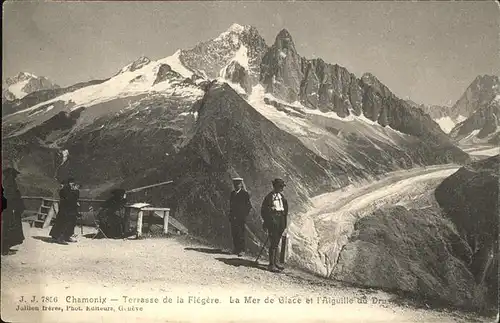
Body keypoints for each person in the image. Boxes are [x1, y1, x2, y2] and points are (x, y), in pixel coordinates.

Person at [261, 178, 288, 272]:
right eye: (280, 186)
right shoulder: (269, 197)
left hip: (280, 221)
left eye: (282, 187)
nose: (282, 188)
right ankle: (271, 264)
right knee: (273, 243)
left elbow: (285, 211)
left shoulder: (282, 197)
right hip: (273, 221)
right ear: (275, 186)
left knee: (276, 243)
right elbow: (264, 211)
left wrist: (284, 224)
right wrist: (268, 220)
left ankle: (275, 262)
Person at [1, 168, 26, 255]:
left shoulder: (7, 182)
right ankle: (5, 250)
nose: (16, 176)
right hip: (10, 209)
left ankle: (6, 248)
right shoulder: (10, 184)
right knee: (9, 228)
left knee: (8, 228)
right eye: (14, 174)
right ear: (11, 174)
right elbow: (11, 197)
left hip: (9, 209)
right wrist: (14, 208)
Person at [50, 178, 80, 244]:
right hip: (66, 209)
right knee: (64, 223)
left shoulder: (68, 189)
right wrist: (76, 192)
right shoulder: (66, 189)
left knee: (70, 222)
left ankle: (65, 236)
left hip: (69, 209)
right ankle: (61, 238)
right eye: (73, 184)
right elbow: (69, 198)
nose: (73, 185)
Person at [228, 178, 252, 257]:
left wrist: (244, 215)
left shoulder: (244, 194)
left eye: (238, 184)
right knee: (234, 233)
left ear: (241, 184)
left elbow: (249, 206)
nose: (236, 186)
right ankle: (236, 249)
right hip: (233, 217)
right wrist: (230, 215)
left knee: (241, 233)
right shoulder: (232, 194)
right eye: (235, 184)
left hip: (241, 217)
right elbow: (231, 206)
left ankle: (242, 250)